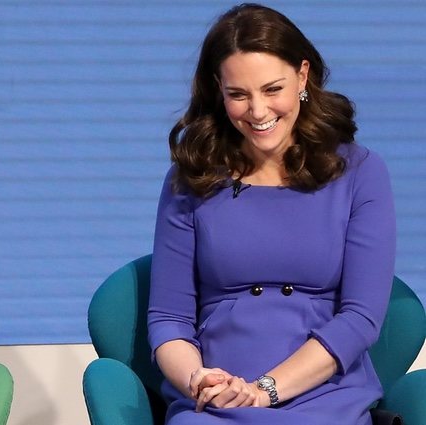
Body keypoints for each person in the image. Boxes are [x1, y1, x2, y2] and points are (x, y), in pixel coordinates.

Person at [148, 3, 395, 425]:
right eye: (238, 95)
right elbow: (168, 320)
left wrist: (266, 390)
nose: (258, 112)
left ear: (302, 76)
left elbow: (361, 317)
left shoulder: (360, 172)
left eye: (272, 90)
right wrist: (199, 379)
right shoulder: (190, 179)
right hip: (220, 398)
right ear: (218, 90)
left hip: (324, 393)